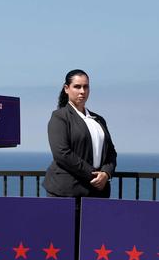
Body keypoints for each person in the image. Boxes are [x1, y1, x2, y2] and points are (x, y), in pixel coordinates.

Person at [43, 69, 117, 198]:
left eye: (86, 86)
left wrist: (106, 173)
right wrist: (93, 174)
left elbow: (111, 152)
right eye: (77, 87)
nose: (82, 91)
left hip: (97, 191)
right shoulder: (59, 117)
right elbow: (62, 153)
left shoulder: (99, 120)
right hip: (66, 192)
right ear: (66, 88)